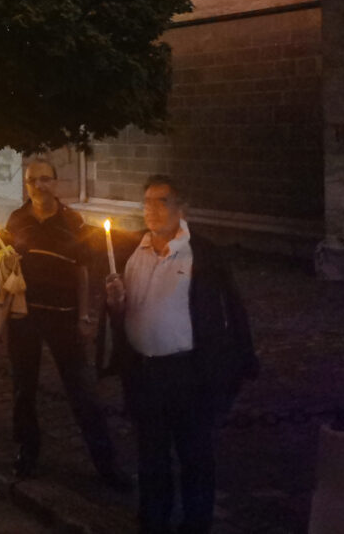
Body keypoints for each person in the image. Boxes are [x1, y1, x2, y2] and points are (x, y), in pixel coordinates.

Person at [105, 175, 258, 534]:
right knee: (151, 456)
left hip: (188, 374)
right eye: (147, 203)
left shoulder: (201, 254)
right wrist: (115, 304)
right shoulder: (135, 254)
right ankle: (153, 519)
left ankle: (195, 523)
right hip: (145, 375)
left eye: (161, 202)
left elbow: (228, 312)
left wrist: (229, 366)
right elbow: (127, 311)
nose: (152, 210)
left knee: (195, 457)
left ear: (180, 207)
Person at [4, 157, 129, 488]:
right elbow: (6, 262)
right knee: (23, 389)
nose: (40, 186)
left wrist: (84, 314)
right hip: (25, 316)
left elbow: (82, 269)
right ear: (26, 185)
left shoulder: (72, 221)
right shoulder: (16, 220)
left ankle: (106, 464)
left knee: (82, 392)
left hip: (63, 316)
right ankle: (27, 453)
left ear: (55, 183)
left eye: (46, 179)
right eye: (33, 181)